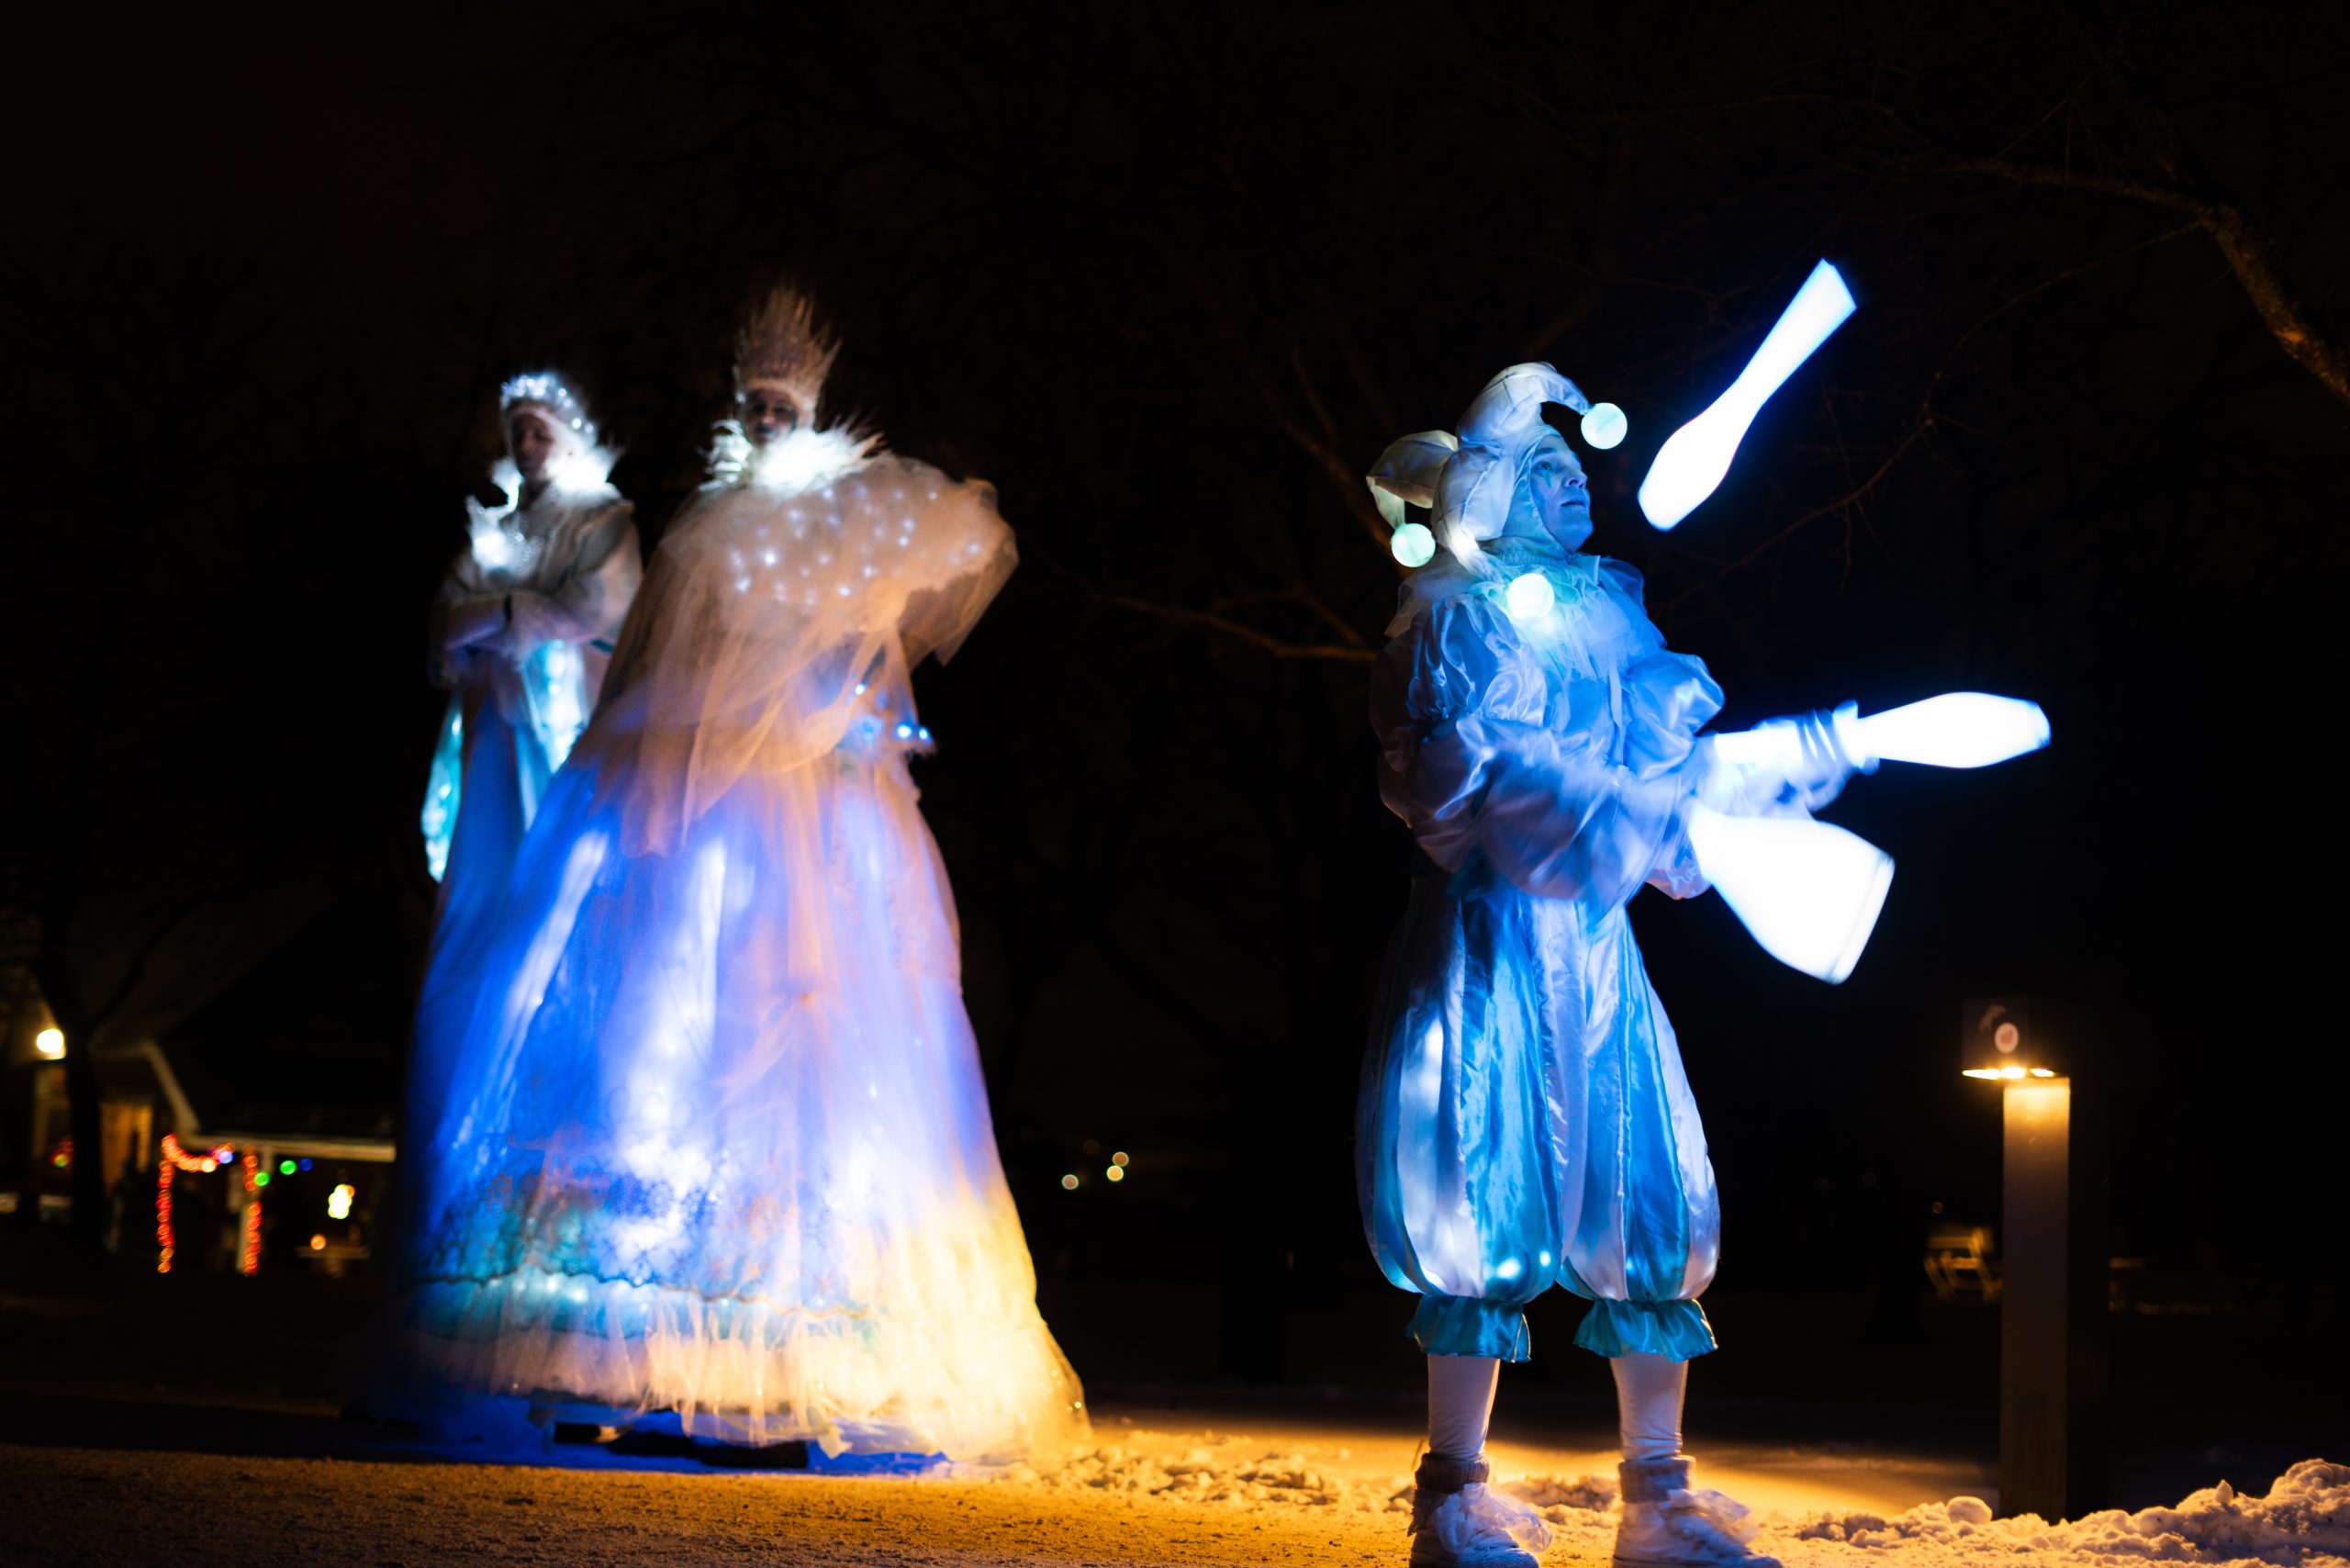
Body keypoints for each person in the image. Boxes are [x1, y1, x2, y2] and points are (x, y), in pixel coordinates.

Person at [386, 286, 1085, 1463]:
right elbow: (657, 651)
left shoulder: (831, 520)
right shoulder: (705, 525)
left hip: (799, 811)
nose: (760, 419)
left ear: (807, 408)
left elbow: (875, 635)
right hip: (692, 801)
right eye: (748, 402)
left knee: (798, 1031)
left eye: (779, 403)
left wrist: (824, 714)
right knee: (657, 1038)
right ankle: (632, 1351)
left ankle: (779, 1370)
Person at [1360, 365, 1851, 1566]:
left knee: (1647, 1193)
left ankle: (1659, 1498)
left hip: (1598, 951)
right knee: (1480, 1189)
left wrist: (1723, 803)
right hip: (1492, 942)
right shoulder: (1455, 618)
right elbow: (1457, 797)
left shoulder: (1613, 625)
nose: (1576, 482)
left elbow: (1661, 814)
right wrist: (1626, 808)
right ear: (1490, 492)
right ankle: (1452, 1495)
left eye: (1578, 466)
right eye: (1545, 469)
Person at [405, 374, 643, 1275]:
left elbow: (603, 610)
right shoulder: (498, 527)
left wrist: (509, 619)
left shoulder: (604, 521)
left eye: (544, 428)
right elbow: (443, 622)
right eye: (518, 430)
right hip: (494, 744)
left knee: (562, 913)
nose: (531, 443)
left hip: (567, 740)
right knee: (480, 918)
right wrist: (503, 617)